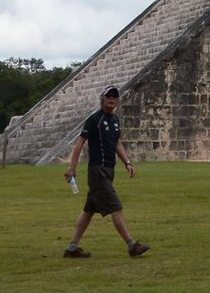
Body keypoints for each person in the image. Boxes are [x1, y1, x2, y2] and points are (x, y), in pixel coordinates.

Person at [62, 86, 150, 258]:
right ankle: (132, 245)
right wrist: (72, 168)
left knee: (88, 211)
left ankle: (72, 248)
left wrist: (127, 162)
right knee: (116, 207)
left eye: (114, 96)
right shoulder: (95, 119)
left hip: (109, 170)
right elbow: (79, 144)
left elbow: (117, 143)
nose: (111, 98)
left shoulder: (115, 120)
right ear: (102, 99)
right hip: (98, 171)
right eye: (108, 96)